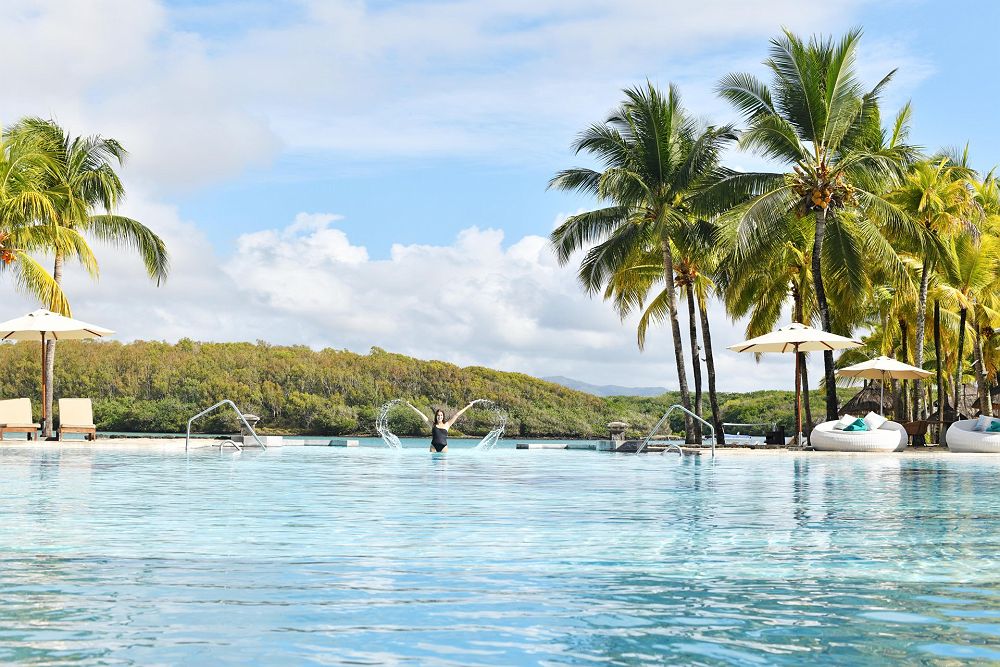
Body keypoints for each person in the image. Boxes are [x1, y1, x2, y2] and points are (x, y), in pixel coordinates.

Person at [407, 401, 478, 452]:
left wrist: (469, 406)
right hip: (433, 447)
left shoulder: (447, 425)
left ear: (443, 416)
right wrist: (410, 406)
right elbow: (421, 415)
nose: (439, 417)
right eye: (438, 415)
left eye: (441, 415)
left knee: (443, 471)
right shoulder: (432, 425)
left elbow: (457, 415)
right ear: (436, 416)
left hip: (444, 447)